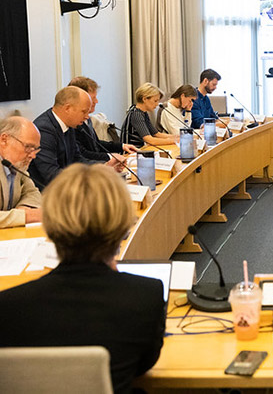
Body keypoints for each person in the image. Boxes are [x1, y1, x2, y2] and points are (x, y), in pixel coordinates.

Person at [0, 163, 165, 394]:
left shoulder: (9, 306)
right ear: (122, 227)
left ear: (50, 224)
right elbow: (143, 365)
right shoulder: (145, 296)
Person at [30, 86, 121, 188]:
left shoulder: (70, 124)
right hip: (49, 194)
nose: (87, 116)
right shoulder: (44, 130)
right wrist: (92, 175)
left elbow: (77, 159)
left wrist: (104, 166)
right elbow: (51, 174)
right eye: (84, 111)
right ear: (67, 108)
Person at [68, 76, 137, 162]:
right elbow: (82, 153)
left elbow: (95, 144)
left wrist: (121, 146)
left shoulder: (87, 119)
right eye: (93, 98)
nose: (96, 101)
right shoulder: (72, 122)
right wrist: (110, 157)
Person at [0, 116, 42, 227]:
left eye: (35, 149)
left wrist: (24, 208)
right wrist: (25, 216)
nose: (33, 155)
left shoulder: (15, 163)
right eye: (28, 147)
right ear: (4, 140)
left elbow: (32, 192)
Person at [121, 83, 178, 148]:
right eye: (155, 101)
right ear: (145, 99)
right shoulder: (136, 114)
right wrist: (175, 140)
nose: (157, 104)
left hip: (140, 150)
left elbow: (156, 134)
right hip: (130, 153)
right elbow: (150, 140)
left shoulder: (143, 113)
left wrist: (178, 137)